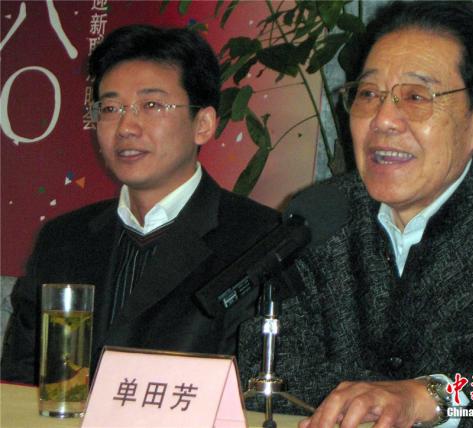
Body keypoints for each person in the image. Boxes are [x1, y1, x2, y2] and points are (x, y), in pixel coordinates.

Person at [239, 2, 473, 427]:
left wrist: (433, 397)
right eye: (368, 94)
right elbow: (272, 367)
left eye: (416, 97)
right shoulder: (319, 217)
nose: (383, 119)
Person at [1, 24, 280, 385]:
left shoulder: (260, 241)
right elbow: (19, 380)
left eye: (151, 105)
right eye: (110, 108)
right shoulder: (62, 240)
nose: (126, 127)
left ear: (203, 124)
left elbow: (255, 390)